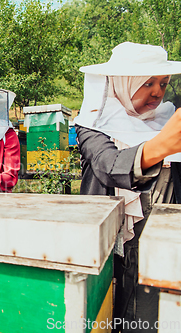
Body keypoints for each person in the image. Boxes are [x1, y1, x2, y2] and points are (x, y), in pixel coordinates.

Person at [74, 41, 181, 332]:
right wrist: (161, 146)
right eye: (147, 83)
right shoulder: (92, 126)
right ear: (123, 83)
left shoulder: (167, 120)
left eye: (163, 82)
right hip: (116, 253)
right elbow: (108, 166)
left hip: (166, 249)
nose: (157, 92)